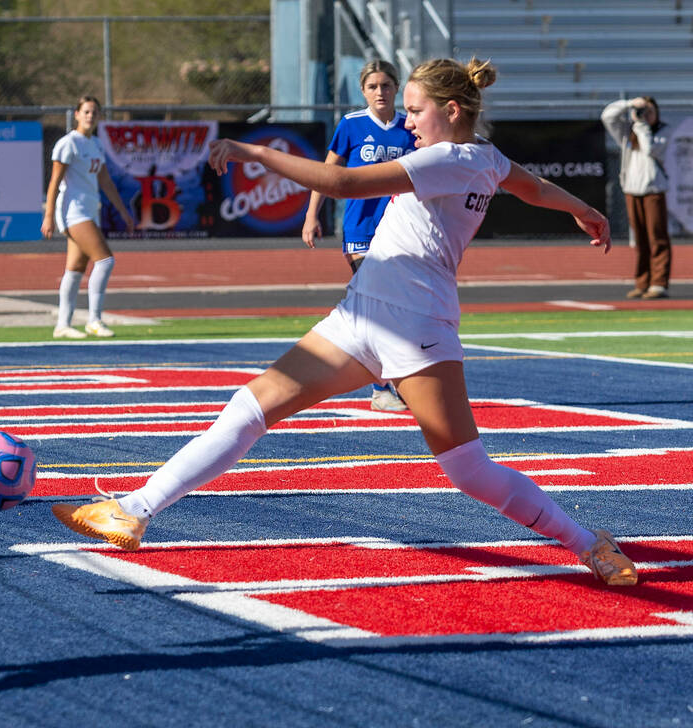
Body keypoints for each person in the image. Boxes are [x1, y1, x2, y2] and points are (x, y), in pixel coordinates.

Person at [53, 58, 638, 588]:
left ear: (451, 111)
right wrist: (584, 209)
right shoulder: (486, 158)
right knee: (251, 406)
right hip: (360, 315)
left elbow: (340, 183)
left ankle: (588, 543)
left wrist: (253, 153)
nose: (407, 122)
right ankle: (133, 511)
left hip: (417, 329)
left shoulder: (447, 158)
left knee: (469, 471)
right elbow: (533, 187)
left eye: (415, 110)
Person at [303, 59, 418, 412]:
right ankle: (382, 388)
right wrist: (312, 214)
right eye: (372, 87)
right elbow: (327, 173)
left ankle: (392, 382)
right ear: (363, 91)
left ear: (396, 88)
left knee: (396, 306)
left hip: (399, 230)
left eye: (385, 85)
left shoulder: (410, 128)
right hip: (361, 228)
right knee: (377, 301)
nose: (380, 92)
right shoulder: (351, 125)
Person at [41, 95, 135, 339]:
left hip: (91, 208)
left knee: (75, 268)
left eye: (94, 112)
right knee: (105, 261)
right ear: (77, 114)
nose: (90, 116)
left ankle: (62, 324)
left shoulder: (96, 144)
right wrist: (48, 215)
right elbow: (55, 182)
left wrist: (122, 210)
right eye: (86, 111)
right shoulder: (68, 143)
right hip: (73, 210)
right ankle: (94, 320)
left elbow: (104, 180)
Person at [601, 96, 671, 299]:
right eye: (642, 111)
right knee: (639, 239)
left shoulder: (663, 132)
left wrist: (641, 126)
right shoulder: (626, 134)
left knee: (657, 237)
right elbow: (607, 116)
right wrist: (630, 104)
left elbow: (650, 149)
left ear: (657, 113)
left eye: (650, 111)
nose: (645, 115)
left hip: (654, 190)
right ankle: (642, 282)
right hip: (632, 189)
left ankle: (659, 283)